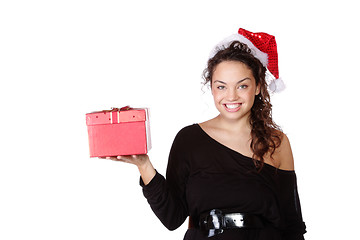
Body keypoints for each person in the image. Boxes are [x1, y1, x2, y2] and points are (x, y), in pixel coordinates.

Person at [106, 28, 306, 239]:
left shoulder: (277, 142)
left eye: (242, 86)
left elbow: (291, 224)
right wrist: (144, 165)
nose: (231, 96)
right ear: (211, 88)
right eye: (221, 87)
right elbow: (173, 218)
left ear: (257, 87)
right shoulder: (189, 140)